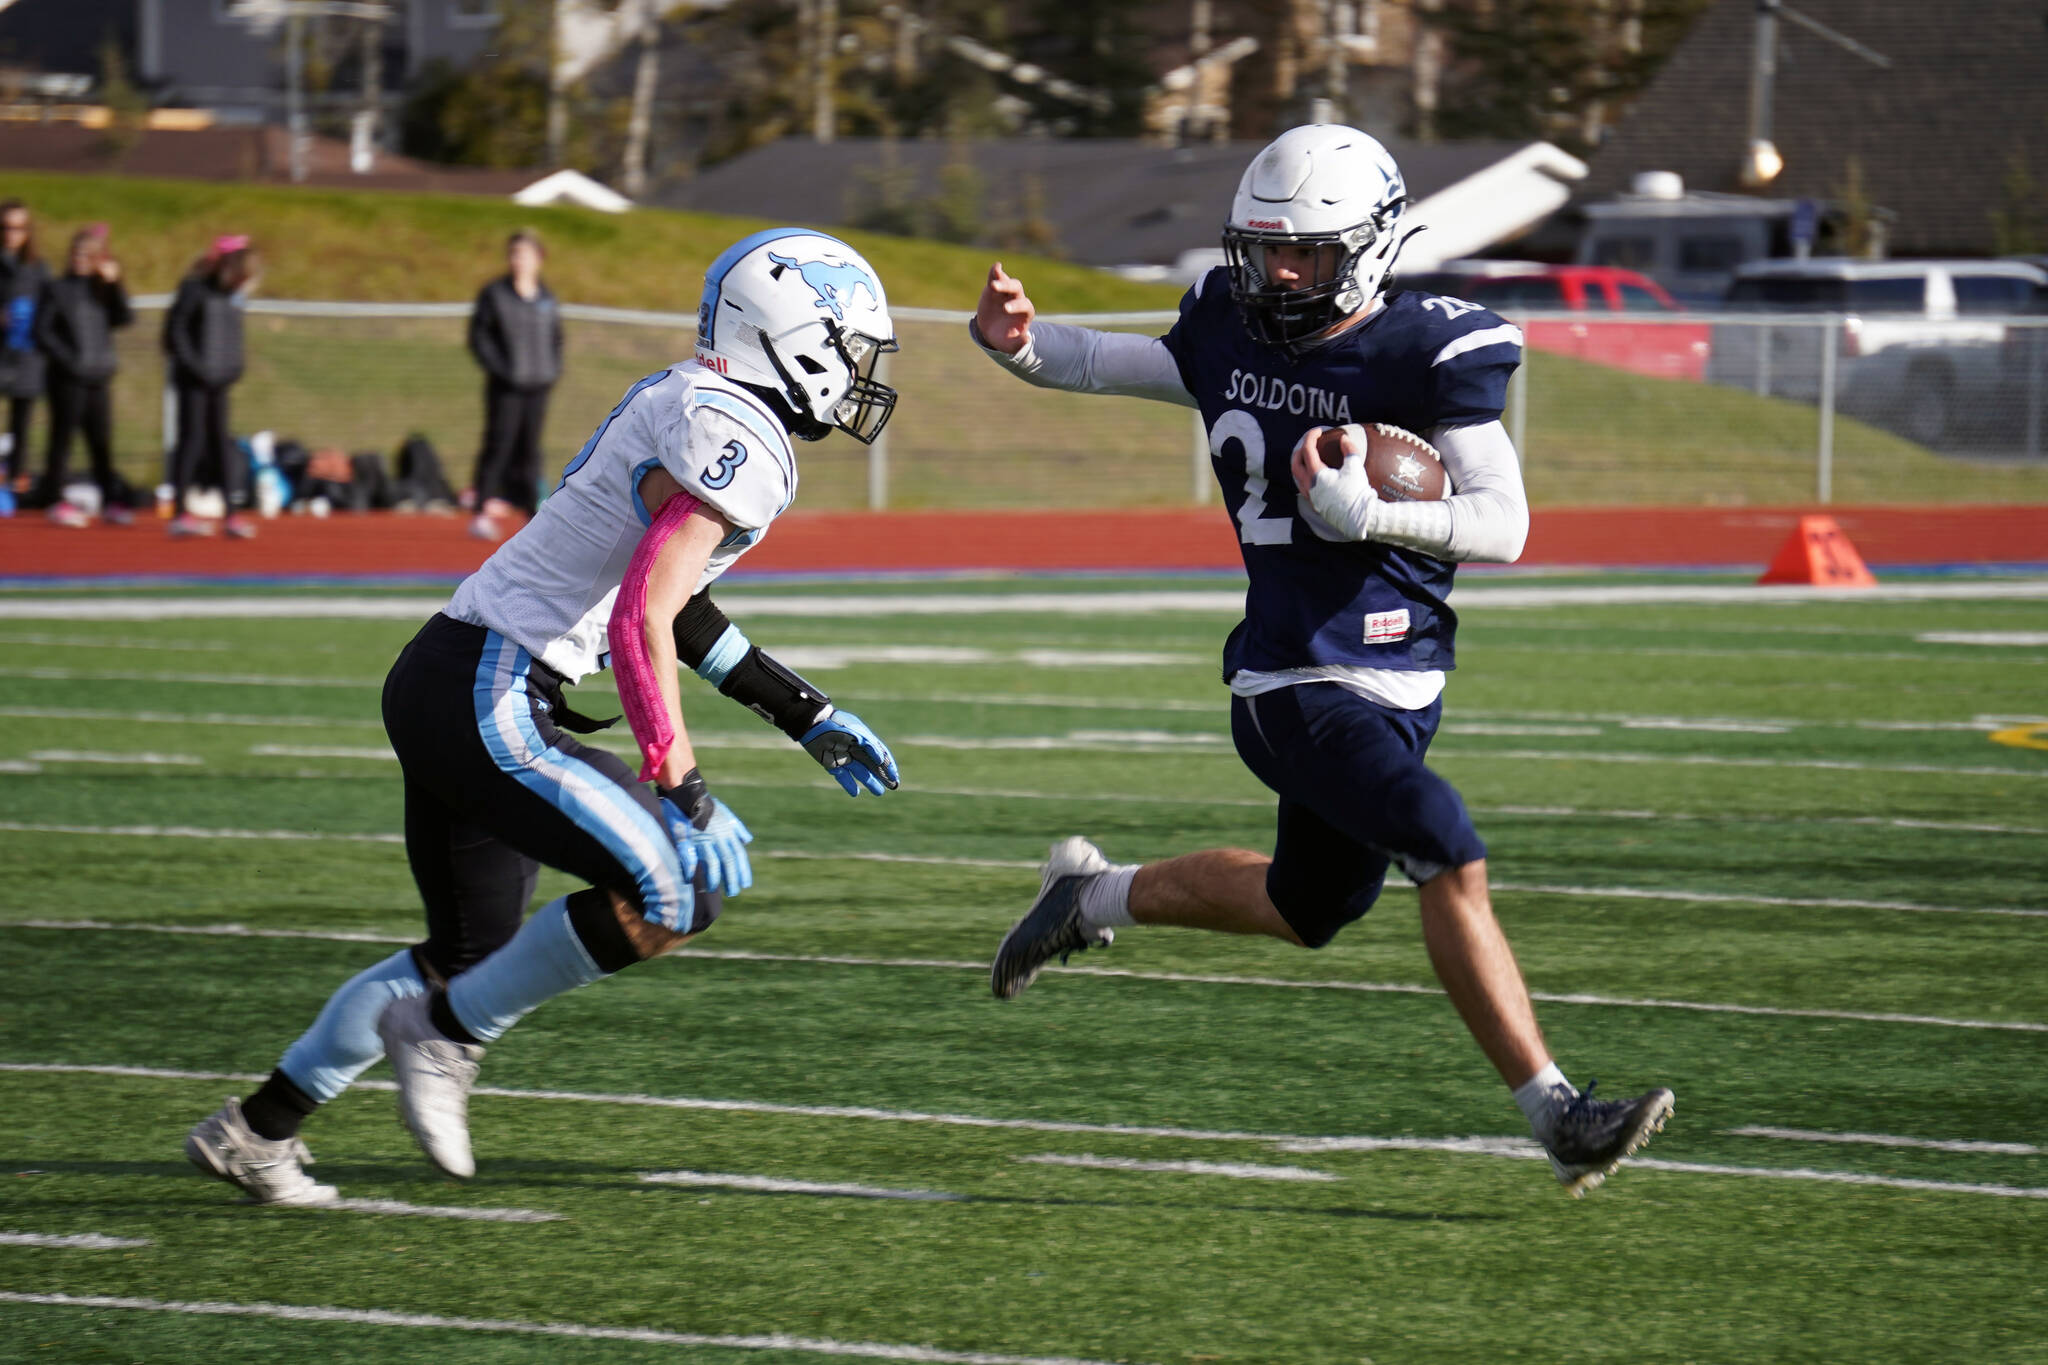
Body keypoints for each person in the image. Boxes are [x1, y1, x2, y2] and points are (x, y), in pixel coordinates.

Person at [973, 125, 1674, 1197]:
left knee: (1310, 908)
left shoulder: (1423, 348)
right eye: (1262, 251)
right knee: (1444, 844)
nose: (1278, 274)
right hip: (1292, 680)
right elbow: (1117, 363)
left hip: (1399, 680)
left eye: (1304, 252)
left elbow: (1503, 524)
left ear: (1372, 245)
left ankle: (1089, 897)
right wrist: (1020, 346)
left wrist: (1370, 513)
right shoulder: (1228, 325)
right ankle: (1559, 1114)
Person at [185, 228, 906, 1205]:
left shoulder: (692, 400)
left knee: (464, 954)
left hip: (448, 674)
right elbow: (644, 611)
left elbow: (674, 602)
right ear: (795, 336)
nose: (860, 376)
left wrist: (800, 709)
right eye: (851, 348)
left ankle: (258, 1130)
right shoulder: (738, 433)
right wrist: (683, 785)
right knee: (674, 894)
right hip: (492, 690)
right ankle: (445, 1037)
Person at [466, 229, 563, 541]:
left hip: (538, 385)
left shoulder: (546, 298)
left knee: (530, 449)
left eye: (524, 254)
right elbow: (479, 338)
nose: (518, 260)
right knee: (498, 445)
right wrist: (502, 370)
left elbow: (556, 339)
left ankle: (531, 512)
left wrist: (551, 370)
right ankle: (481, 510)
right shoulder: (495, 294)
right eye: (513, 254)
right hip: (506, 386)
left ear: (539, 258)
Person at [35, 226, 135, 526]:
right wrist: (69, 360)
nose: (79, 259)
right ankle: (55, 500)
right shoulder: (58, 288)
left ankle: (111, 501)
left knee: (100, 442)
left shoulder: (102, 289)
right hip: (67, 378)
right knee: (62, 440)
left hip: (98, 376)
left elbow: (125, 318)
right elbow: (42, 331)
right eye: (76, 253)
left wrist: (115, 284)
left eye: (86, 255)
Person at [163, 235, 257, 539]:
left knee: (221, 443)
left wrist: (233, 368)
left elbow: (234, 337)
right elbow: (175, 333)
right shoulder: (193, 289)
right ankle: (179, 512)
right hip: (194, 381)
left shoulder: (232, 297)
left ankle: (231, 514)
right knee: (191, 442)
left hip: (219, 381)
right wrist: (196, 368)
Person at [0, 199, 49, 501]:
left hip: (27, 356)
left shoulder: (38, 268)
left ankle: (14, 486)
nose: (11, 234)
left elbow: (52, 306)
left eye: (18, 228)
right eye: (6, 227)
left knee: (21, 425)